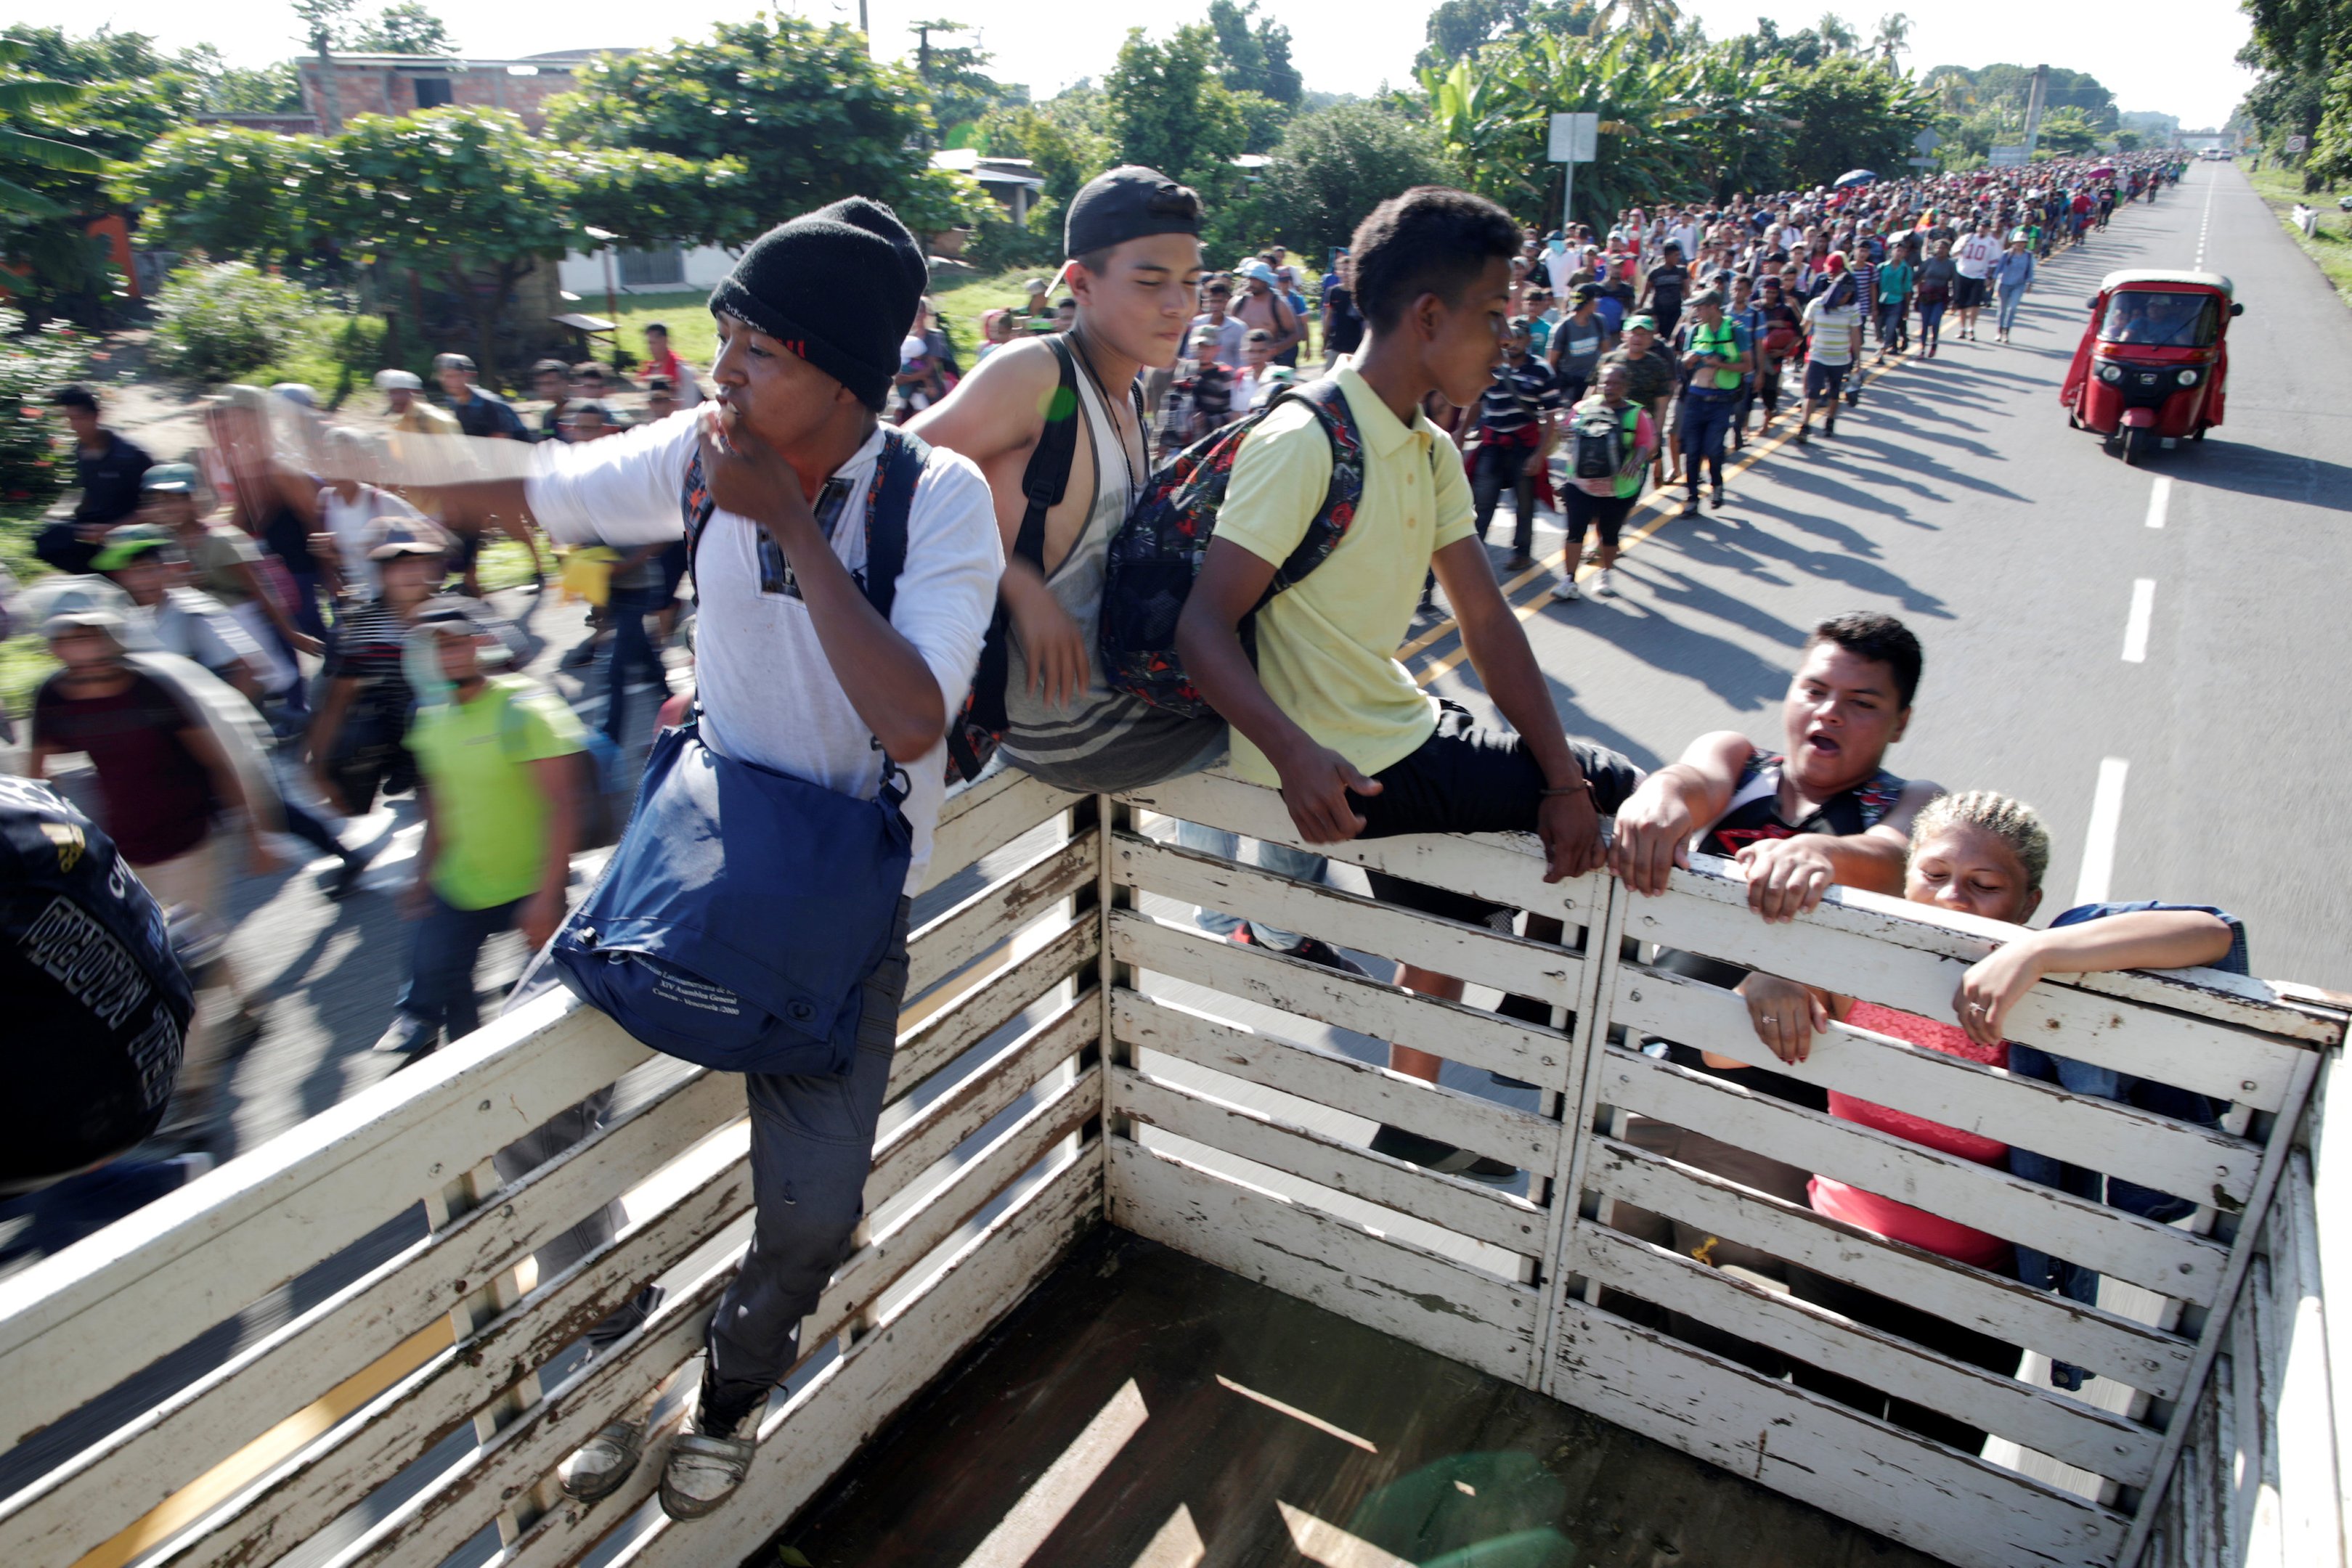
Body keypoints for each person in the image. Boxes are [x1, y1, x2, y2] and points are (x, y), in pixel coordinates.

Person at [412, 196, 1003, 1520]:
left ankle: (727, 1388)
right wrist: (335, 455)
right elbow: (530, 490)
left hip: (845, 907)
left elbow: (912, 716)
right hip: (697, 854)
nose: (720, 367)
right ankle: (616, 1355)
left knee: (809, 1215)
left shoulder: (936, 497)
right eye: (723, 334)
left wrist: (790, 526)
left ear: (841, 374)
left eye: (757, 347)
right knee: (520, 1106)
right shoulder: (697, 453)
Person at [1173, 185, 1643, 1180]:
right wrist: (1296, 754)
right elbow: (1199, 627)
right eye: (1492, 315)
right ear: (1426, 318)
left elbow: (1486, 621)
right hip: (1355, 761)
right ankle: (1531, 1039)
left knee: (1457, 892)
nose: (1505, 340)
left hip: (1393, 729)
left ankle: (1415, 1112)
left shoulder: (1426, 446)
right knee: (1613, 789)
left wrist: (1551, 780)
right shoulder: (1302, 440)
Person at [28, 608, 274, 1122]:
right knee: (192, 938)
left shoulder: (151, 688)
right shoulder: (53, 697)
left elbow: (216, 758)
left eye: (89, 636)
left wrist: (254, 831)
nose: (81, 648)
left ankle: (192, 1092)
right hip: (121, 846)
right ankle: (250, 1001)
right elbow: (37, 778)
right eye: (70, 640)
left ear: (110, 639)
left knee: (175, 962)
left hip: (188, 837)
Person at [97, 523, 381, 896]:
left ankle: (346, 855)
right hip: (173, 736)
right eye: (131, 570)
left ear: (166, 568)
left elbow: (250, 669)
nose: (140, 578)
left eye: (148, 567)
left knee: (269, 803)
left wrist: (221, 728)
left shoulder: (190, 611)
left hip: (217, 730)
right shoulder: (128, 618)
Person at [373, 603, 584, 1059]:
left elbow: (562, 806)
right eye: (435, 647)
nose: (446, 655)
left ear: (481, 643)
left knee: (550, 1025)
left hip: (531, 887)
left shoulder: (526, 709)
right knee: (446, 1004)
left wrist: (548, 895)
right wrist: (422, 875)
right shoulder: (429, 718)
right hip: (459, 888)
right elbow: (439, 804)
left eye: (455, 642)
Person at [306, 518, 455, 818]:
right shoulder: (365, 629)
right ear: (382, 572)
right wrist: (319, 766)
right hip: (413, 750)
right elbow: (337, 700)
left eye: (420, 562)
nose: (411, 572)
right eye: (397, 564)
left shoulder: (457, 612)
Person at [1550, 362, 1653, 603]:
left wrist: (1637, 460)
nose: (1610, 387)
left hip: (1618, 488)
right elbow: (1562, 435)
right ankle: (1569, 580)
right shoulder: (1583, 408)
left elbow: (1646, 443)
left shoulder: (1637, 414)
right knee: (1575, 532)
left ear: (1626, 386)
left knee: (1609, 536)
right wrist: (1559, 432)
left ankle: (1606, 573)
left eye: (1616, 383)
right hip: (1581, 485)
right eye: (1606, 382)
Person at [1468, 319, 1564, 572]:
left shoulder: (1542, 370)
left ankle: (1522, 552)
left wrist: (1539, 455)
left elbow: (1552, 417)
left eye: (1519, 337)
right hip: (1493, 444)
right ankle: (1475, 556)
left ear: (1528, 341)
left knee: (1524, 504)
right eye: (1510, 337)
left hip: (1524, 446)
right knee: (1483, 502)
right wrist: (1459, 435)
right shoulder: (1490, 366)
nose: (1513, 343)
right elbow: (1476, 403)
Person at [38, 385, 152, 574]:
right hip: (96, 526)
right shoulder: (81, 451)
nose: (74, 426)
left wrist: (112, 529)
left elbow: (153, 509)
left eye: (79, 418)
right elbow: (91, 493)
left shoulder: (131, 456)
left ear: (96, 416)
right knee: (48, 539)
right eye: (69, 419)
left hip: (129, 528)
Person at [1672, 288, 1748, 515]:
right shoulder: (1696, 330)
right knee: (1693, 451)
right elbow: (1684, 362)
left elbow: (1748, 365)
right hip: (1696, 398)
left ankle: (1716, 484)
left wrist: (1721, 364)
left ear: (1713, 307)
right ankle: (1692, 497)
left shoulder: (1736, 331)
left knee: (1714, 449)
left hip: (1721, 400)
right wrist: (1689, 360)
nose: (1696, 311)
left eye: (1700, 307)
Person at [1598, 316, 1676, 487]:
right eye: (1634, 333)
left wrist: (1655, 436)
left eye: (1644, 334)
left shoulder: (1658, 365)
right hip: (1607, 429)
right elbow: (1593, 394)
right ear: (1624, 335)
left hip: (1640, 433)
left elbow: (1662, 406)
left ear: (1652, 338)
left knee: (1632, 482)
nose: (1638, 338)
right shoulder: (1609, 360)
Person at [1796, 258, 1862, 443]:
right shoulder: (1816, 305)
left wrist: (1858, 361)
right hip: (1818, 355)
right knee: (1813, 391)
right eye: (1844, 294)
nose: (1846, 298)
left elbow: (1855, 335)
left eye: (1849, 295)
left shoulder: (1851, 309)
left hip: (1840, 358)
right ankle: (1805, 425)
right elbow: (1804, 328)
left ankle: (1830, 421)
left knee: (1834, 392)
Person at [435, 354, 526, 440]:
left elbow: (501, 443)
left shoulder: (489, 404)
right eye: (446, 376)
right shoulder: (454, 402)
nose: (451, 381)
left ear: (469, 376)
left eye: (456, 376)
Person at [1545, 282, 1611, 403]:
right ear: (1589, 302)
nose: (1597, 302)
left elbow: (1606, 354)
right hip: (1569, 385)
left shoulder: (1599, 322)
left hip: (1593, 382)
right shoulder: (1562, 328)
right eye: (1595, 299)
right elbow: (1552, 363)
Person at [1234, 258, 1303, 362]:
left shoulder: (1279, 304)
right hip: (1241, 362)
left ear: (1265, 281)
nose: (1251, 283)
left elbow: (1295, 334)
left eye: (1255, 279)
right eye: (1250, 279)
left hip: (1269, 364)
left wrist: (1274, 350)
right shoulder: (1238, 302)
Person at [1953, 221, 2003, 341]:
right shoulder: (1967, 238)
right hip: (1963, 272)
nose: (1983, 229)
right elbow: (1954, 253)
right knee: (1962, 303)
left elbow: (1993, 262)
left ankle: (1971, 328)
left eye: (1986, 227)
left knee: (1975, 304)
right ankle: (1962, 328)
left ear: (1989, 229)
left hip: (1980, 275)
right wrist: (1962, 246)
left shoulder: (1992, 243)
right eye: (1981, 226)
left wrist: (1990, 278)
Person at [378, 368, 460, 436]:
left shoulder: (437, 420)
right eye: (390, 393)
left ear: (415, 392)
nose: (393, 398)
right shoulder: (404, 422)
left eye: (398, 392)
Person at [640, 322, 704, 406]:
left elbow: (690, 407)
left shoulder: (684, 372)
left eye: (653, 343)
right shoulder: (652, 371)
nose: (649, 348)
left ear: (665, 341)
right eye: (648, 343)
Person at [1637, 240, 1690, 341]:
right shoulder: (1655, 273)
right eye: (1676, 255)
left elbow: (1687, 294)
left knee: (1674, 340)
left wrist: (1689, 312)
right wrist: (1638, 311)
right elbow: (1644, 294)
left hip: (1676, 313)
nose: (1678, 258)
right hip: (1659, 313)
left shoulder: (1682, 272)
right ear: (1667, 256)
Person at [1191, 276, 1249, 368]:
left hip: (1227, 378)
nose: (1215, 306)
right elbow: (1189, 354)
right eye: (1212, 301)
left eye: (1219, 302)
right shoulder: (1197, 323)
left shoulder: (1238, 327)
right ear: (1205, 302)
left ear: (1226, 302)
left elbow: (1242, 360)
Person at [1992, 232, 2037, 343]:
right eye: (2018, 242)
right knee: (2002, 309)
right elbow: (1999, 268)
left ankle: (2007, 332)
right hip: (2005, 284)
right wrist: (1993, 280)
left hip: (2019, 285)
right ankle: (1999, 330)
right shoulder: (2007, 254)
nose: (2020, 244)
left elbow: (2030, 270)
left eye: (2022, 242)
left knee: (2012, 308)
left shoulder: (2028, 255)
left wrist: (2029, 283)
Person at [1915, 237, 1956, 357]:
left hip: (1940, 296)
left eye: (1944, 248)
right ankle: (1922, 349)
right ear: (1934, 249)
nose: (1941, 250)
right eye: (1938, 247)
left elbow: (1955, 282)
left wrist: (1955, 299)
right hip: (1926, 296)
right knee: (1925, 323)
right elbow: (1917, 275)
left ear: (1948, 250)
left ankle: (1934, 343)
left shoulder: (1951, 264)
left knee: (1935, 321)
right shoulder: (1929, 262)